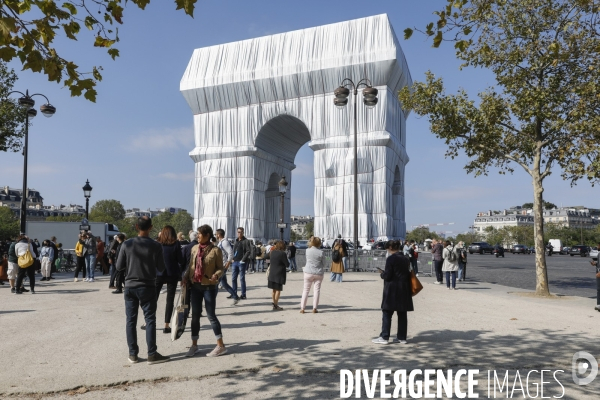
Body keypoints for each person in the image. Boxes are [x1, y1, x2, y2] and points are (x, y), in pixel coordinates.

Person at [116, 216, 170, 365]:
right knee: (150, 319)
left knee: (130, 320)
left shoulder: (127, 244)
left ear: (136, 226)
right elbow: (161, 268)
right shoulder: (156, 246)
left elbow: (118, 266)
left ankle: (133, 354)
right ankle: (152, 353)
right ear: (151, 227)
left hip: (130, 285)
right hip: (147, 285)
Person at [184, 224, 228, 357]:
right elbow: (191, 266)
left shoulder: (216, 251)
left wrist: (217, 275)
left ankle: (221, 345)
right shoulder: (194, 248)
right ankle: (194, 345)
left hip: (209, 286)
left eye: (200, 234)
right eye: (197, 234)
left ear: (207, 235)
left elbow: (221, 268)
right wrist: (185, 278)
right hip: (195, 286)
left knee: (211, 316)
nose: (197, 236)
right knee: (195, 316)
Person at [372, 240, 414, 344]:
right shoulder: (405, 258)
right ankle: (402, 337)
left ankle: (384, 336)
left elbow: (388, 276)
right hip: (404, 288)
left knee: (387, 312)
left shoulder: (391, 259)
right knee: (402, 314)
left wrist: (382, 274)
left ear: (390, 248)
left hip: (392, 288)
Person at [300, 236, 325, 313]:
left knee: (306, 290)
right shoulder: (321, 252)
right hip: (318, 272)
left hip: (308, 272)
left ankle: (302, 308)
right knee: (316, 290)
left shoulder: (307, 251)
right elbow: (324, 263)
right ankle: (315, 308)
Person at [215, 229, 240, 305]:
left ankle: (211, 301)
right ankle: (235, 296)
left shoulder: (224, 242)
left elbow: (230, 252)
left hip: (223, 266)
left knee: (216, 283)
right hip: (221, 265)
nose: (215, 235)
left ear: (219, 234)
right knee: (224, 284)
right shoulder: (221, 242)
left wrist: (228, 262)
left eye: (216, 234)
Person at [267, 240, 289, 310]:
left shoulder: (272, 252)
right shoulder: (282, 254)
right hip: (279, 273)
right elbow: (287, 264)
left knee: (273, 290)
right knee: (278, 290)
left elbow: (266, 257)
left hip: (272, 273)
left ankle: (274, 303)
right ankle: (276, 305)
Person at [231, 227, 251, 300]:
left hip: (241, 262)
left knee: (242, 278)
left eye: (241, 232)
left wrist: (243, 260)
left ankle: (243, 294)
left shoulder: (246, 241)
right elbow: (233, 250)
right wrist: (232, 258)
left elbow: (248, 251)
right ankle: (234, 293)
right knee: (233, 278)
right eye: (238, 232)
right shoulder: (235, 241)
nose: (240, 233)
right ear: (237, 232)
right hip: (235, 261)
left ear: (243, 233)